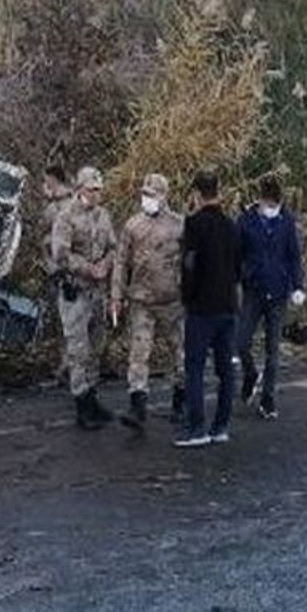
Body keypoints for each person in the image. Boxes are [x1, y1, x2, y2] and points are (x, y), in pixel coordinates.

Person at [111, 173, 185, 430]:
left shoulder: (179, 226)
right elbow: (121, 262)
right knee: (139, 354)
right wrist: (116, 296)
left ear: (164, 197)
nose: (147, 199)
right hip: (141, 300)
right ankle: (137, 405)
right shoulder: (133, 226)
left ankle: (181, 400)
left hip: (172, 301)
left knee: (181, 352)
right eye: (145, 194)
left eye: (152, 195)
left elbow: (191, 261)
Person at [176, 170, 242, 448]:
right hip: (227, 305)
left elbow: (189, 265)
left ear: (196, 194)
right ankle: (221, 426)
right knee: (225, 369)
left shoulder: (194, 224)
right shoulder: (231, 226)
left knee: (195, 367)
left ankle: (196, 427)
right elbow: (238, 265)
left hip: (202, 307)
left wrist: (187, 296)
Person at [50, 166, 117, 430]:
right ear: (80, 189)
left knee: (95, 348)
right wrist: (90, 268)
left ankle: (92, 398)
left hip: (97, 292)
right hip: (75, 291)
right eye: (92, 189)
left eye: (99, 190)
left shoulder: (103, 215)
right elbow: (61, 254)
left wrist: (107, 265)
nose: (96, 194)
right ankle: (81, 403)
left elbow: (113, 246)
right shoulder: (66, 216)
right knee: (78, 350)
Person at [237, 175, 305, 420]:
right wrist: (240, 275)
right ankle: (250, 374)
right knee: (241, 341)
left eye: (275, 205)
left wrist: (298, 285)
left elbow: (293, 255)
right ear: (261, 200)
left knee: (272, 350)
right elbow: (236, 253)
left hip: (278, 291)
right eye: (269, 204)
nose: (272, 209)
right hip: (253, 290)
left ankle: (268, 398)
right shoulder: (245, 221)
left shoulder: (286, 221)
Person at [38, 165, 74, 385]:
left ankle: (69, 366)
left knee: (68, 322)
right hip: (59, 271)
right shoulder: (65, 205)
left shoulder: (63, 207)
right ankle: (66, 364)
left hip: (65, 272)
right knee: (64, 322)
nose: (45, 186)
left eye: (47, 182)